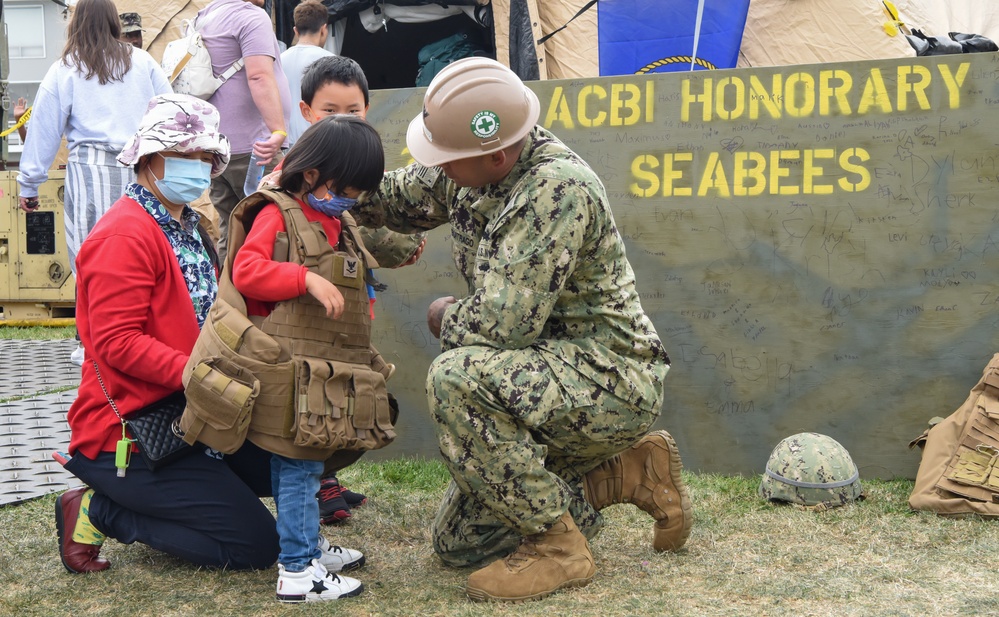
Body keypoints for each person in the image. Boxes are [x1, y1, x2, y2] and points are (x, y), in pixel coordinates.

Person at [350, 57, 693, 602]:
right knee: (459, 543)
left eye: (446, 158)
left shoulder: (554, 190)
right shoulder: (472, 168)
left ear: (496, 153)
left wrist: (443, 315)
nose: (436, 167)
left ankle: (558, 547)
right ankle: (623, 474)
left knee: (455, 377)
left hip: (607, 376)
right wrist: (312, 183)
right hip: (541, 376)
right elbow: (393, 197)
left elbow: (502, 328)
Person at [54, 93, 283, 575]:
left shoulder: (189, 225)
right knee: (256, 547)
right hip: (132, 429)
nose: (198, 168)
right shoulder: (124, 235)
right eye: (185, 156)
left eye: (205, 158)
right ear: (149, 159)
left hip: (194, 410)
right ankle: (99, 509)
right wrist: (198, 374)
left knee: (286, 458)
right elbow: (117, 342)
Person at [230, 114, 384, 602]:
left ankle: (308, 544)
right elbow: (247, 270)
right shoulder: (277, 213)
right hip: (285, 369)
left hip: (321, 367)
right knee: (296, 464)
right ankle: (298, 570)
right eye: (350, 187)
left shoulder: (335, 219)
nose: (353, 199)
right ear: (314, 175)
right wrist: (305, 280)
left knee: (312, 458)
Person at [288, 54, 426, 525]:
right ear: (306, 112)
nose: (343, 120)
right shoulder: (295, 172)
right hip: (306, 310)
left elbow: (371, 222)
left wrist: (401, 244)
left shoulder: (360, 160)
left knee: (344, 388)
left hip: (351, 300)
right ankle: (317, 483)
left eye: (353, 110)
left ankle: (327, 476)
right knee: (314, 391)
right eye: (330, 111)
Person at [16, 0, 171, 270]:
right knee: (143, 256)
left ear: (76, 24)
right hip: (143, 172)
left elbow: (44, 131)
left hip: (90, 177)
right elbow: (171, 113)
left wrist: (29, 185)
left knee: (95, 259)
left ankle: (97, 310)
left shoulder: (65, 68)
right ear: (114, 22)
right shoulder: (142, 61)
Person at [197, 0, 293, 264]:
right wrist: (278, 130)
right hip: (254, 148)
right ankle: (268, 302)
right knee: (277, 224)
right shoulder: (250, 17)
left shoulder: (207, 14)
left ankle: (228, 299)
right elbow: (259, 76)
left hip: (215, 146)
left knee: (231, 227)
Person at [280, 0, 333, 148]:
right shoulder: (331, 61)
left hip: (285, 144)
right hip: (320, 142)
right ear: (324, 29)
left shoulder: (279, 60)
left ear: (295, 31)